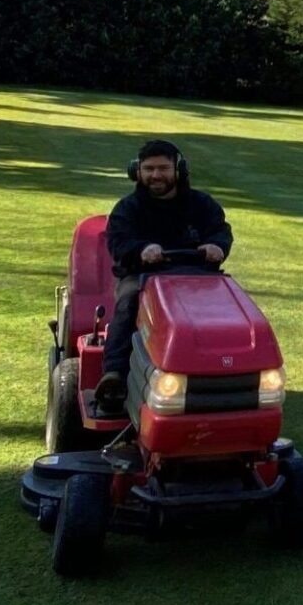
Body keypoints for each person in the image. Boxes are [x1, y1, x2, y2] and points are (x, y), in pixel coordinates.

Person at [93, 139, 233, 412]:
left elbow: (220, 231)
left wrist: (218, 246)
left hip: (197, 277)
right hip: (143, 277)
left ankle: (224, 372)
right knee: (128, 301)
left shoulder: (202, 205)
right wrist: (142, 250)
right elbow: (118, 244)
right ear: (137, 172)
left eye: (163, 168)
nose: (156, 175)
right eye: (149, 169)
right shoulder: (127, 209)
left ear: (178, 170)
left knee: (227, 305)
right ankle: (114, 374)